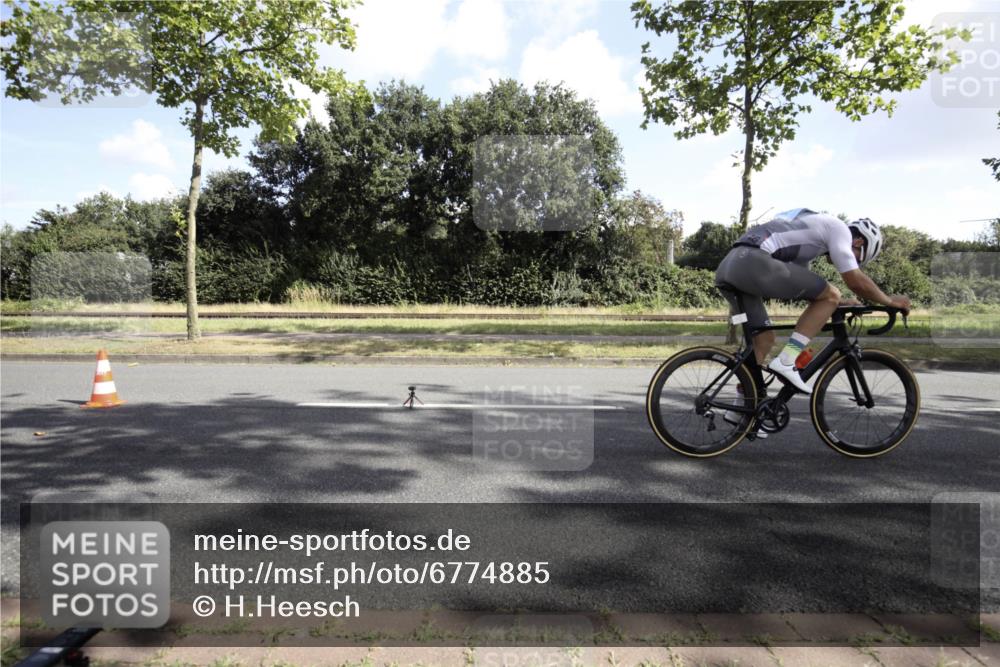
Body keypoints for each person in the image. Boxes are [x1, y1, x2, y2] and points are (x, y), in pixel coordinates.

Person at [715, 208, 911, 395]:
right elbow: (856, 281)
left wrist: (837, 302)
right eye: (858, 260)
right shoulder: (839, 229)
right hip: (753, 261)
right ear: (858, 242)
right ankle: (787, 359)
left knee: (764, 340)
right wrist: (890, 301)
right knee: (831, 294)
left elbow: (804, 288)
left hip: (730, 266)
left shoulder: (808, 235)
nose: (855, 263)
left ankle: (742, 412)